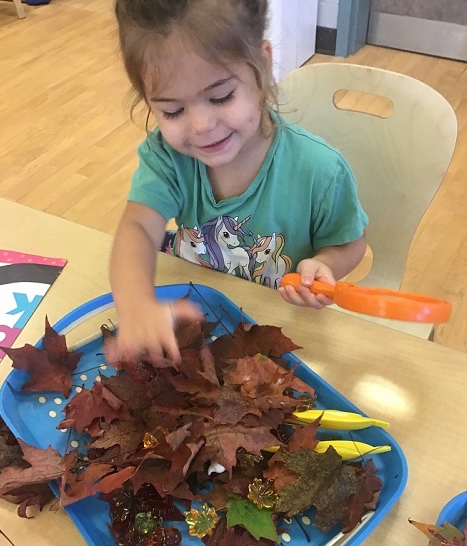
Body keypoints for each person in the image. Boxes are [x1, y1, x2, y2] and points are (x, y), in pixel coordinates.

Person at [108, 0, 368, 365]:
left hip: (281, 330)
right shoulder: (168, 158)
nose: (201, 126)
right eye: (172, 111)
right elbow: (137, 226)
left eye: (221, 97)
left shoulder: (319, 169)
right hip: (201, 323)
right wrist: (135, 306)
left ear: (262, 65)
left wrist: (325, 264)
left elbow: (351, 243)